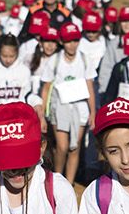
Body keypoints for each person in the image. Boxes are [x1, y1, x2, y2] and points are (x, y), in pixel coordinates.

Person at [41, 21, 97, 183]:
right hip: (60, 108)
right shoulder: (55, 61)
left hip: (81, 108)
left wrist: (93, 112)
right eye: (67, 41)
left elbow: (89, 88)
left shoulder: (85, 60)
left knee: (74, 147)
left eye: (75, 40)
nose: (71, 45)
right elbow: (46, 88)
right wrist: (42, 115)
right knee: (62, 147)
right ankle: (58, 179)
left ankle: (69, 183)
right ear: (61, 42)